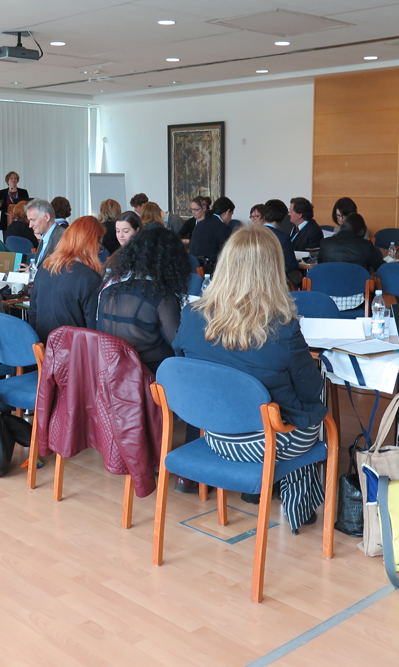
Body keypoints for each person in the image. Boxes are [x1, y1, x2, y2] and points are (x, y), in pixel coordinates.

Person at [173, 225, 328, 531]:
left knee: (288, 411)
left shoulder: (192, 315)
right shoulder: (283, 328)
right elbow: (311, 392)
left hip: (214, 434)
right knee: (311, 418)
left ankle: (281, 496)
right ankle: (298, 507)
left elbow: (184, 364)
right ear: (272, 270)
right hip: (266, 442)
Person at [97, 226, 190, 373]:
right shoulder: (161, 296)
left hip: (113, 375)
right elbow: (180, 346)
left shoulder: (108, 291)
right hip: (151, 377)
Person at [29, 215, 104, 343]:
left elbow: (33, 314)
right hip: (73, 351)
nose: (99, 251)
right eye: (100, 245)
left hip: (44, 350)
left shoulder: (44, 268)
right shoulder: (90, 278)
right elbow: (93, 331)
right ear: (91, 244)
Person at [317, 213, 385, 272]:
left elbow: (320, 266)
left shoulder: (325, 243)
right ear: (362, 231)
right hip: (357, 282)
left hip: (328, 282)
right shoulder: (366, 245)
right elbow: (381, 267)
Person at [189, 197, 233, 271]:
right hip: (210, 270)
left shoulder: (200, 224)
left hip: (193, 268)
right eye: (231, 215)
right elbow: (227, 254)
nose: (230, 219)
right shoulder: (223, 228)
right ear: (228, 212)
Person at [261, 200, 299, 284]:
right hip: (275, 281)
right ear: (283, 217)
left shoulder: (251, 234)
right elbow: (291, 265)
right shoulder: (283, 237)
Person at [27, 198, 65, 267]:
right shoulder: (45, 237)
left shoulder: (62, 237)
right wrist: (31, 271)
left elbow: (58, 269)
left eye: (33, 220)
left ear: (47, 217)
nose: (30, 225)